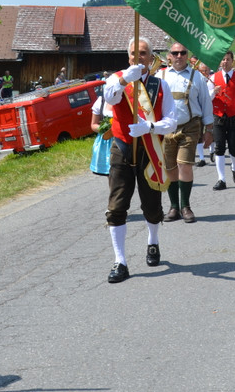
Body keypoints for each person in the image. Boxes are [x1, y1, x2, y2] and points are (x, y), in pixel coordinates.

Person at [101, 36, 177, 283]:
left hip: (149, 148)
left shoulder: (160, 85)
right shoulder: (116, 79)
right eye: (134, 53)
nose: (138, 57)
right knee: (117, 206)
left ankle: (153, 241)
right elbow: (110, 98)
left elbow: (172, 121)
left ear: (151, 57)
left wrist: (151, 127)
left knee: (152, 206)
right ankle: (120, 261)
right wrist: (125, 79)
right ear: (128, 57)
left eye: (143, 53)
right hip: (122, 146)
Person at [157, 42, 214, 223]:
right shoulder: (160, 76)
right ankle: (174, 207)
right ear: (169, 56)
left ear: (187, 55)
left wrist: (209, 129)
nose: (179, 56)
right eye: (175, 53)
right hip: (166, 128)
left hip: (190, 126)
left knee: (185, 165)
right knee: (170, 167)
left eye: (182, 52)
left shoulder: (197, 77)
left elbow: (206, 103)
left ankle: (185, 206)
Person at [207, 51, 235, 190]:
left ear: (232, 61)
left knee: (234, 147)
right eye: (223, 59)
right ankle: (221, 179)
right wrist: (213, 92)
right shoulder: (213, 77)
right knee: (219, 147)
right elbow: (206, 98)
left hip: (234, 115)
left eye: (228, 59)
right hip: (218, 115)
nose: (225, 62)